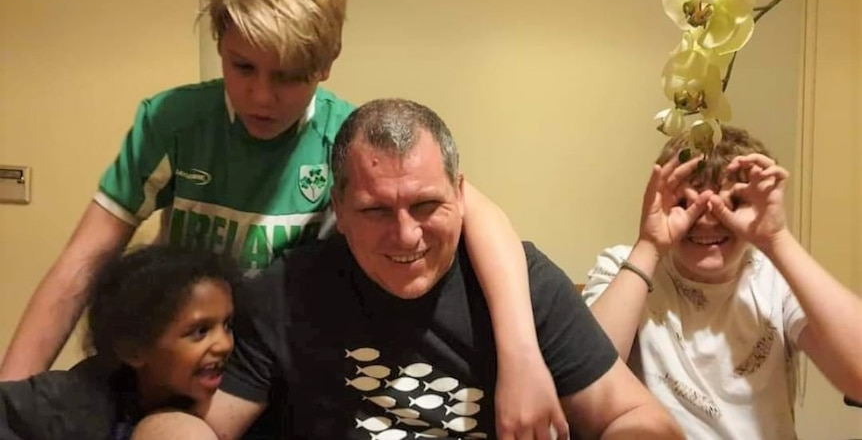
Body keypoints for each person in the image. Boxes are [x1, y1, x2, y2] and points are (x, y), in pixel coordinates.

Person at [1, 0, 564, 436]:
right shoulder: (171, 123)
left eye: (289, 75)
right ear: (219, 38)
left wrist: (521, 358)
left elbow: (473, 211)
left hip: (270, 382)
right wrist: (13, 394)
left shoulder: (344, 138)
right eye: (242, 66)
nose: (261, 95)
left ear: (326, 62)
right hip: (168, 371)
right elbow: (82, 265)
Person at [132, 98, 685, 440]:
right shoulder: (285, 294)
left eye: (426, 205)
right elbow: (200, 424)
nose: (406, 236)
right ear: (339, 212)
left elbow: (637, 419)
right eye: (375, 211)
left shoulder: (526, 283)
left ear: (461, 195)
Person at [582, 126, 862, 439]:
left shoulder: (774, 278)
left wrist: (776, 239)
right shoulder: (625, 265)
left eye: (732, 203)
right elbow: (584, 381)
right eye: (687, 204)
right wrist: (649, 244)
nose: (708, 219)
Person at [0, 245, 236, 440]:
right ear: (133, 350)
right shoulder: (71, 399)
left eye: (227, 325)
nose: (224, 344)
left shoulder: (218, 400)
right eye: (200, 331)